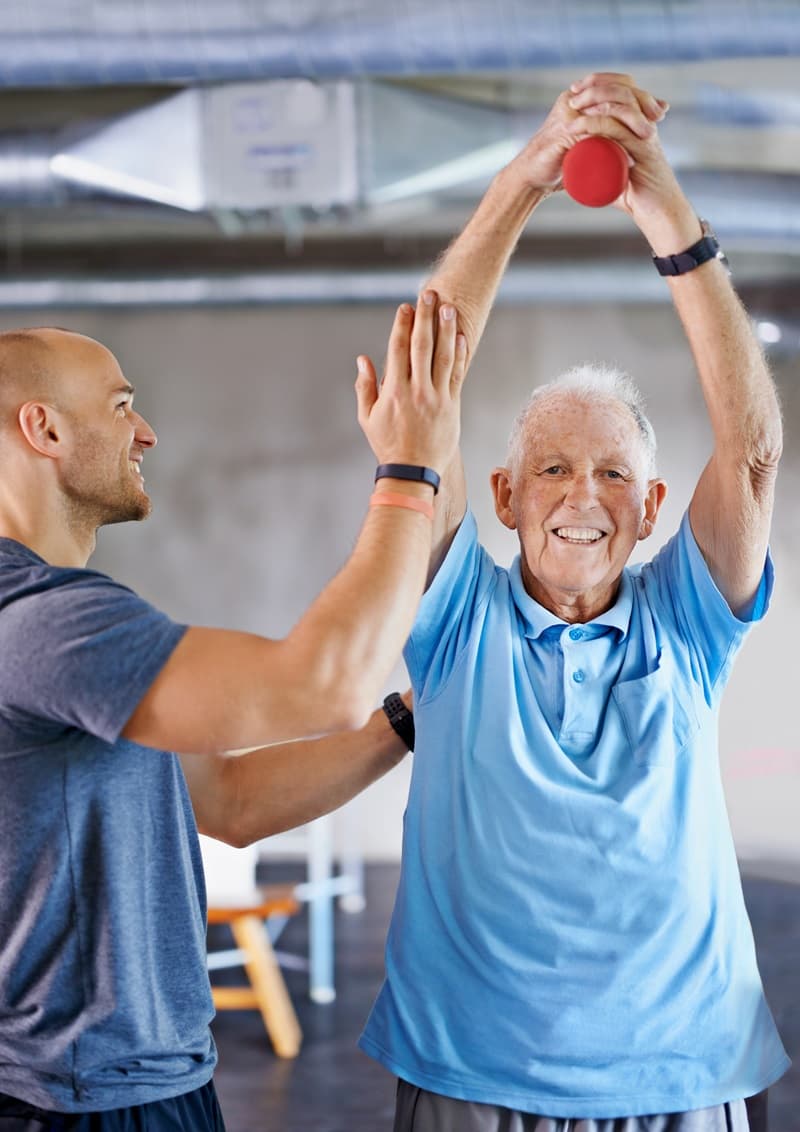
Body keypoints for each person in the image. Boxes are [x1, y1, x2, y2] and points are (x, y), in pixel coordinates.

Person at [357, 73, 789, 1131]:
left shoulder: (683, 624)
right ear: (501, 495)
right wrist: (525, 175)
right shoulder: (456, 617)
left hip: (678, 1070)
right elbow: (427, 386)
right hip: (474, 1068)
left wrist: (667, 214)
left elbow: (750, 450)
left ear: (649, 506)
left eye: (608, 475)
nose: (580, 498)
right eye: (550, 469)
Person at [0, 293, 465, 1129]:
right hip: (81, 1102)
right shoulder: (42, 622)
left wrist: (410, 716)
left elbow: (231, 800)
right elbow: (321, 685)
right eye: (122, 406)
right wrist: (410, 470)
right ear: (44, 429)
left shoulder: (53, 621)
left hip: (138, 1082)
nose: (146, 434)